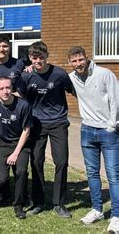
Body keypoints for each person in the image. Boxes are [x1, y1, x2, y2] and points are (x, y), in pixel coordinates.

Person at [17, 41, 73, 218]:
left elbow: (76, 91)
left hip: (58, 123)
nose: (38, 61)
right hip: (36, 124)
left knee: (61, 162)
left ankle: (59, 204)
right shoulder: (26, 76)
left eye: (41, 57)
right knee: (36, 162)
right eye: (34, 58)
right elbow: (19, 96)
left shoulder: (60, 74)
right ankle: (38, 202)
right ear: (30, 58)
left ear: (47, 56)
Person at [67, 46, 119, 233]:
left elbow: (116, 100)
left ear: (86, 58)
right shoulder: (71, 78)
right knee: (92, 172)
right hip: (87, 130)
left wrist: (112, 125)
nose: (78, 64)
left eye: (80, 59)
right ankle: (97, 209)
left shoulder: (105, 74)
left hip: (108, 131)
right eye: (74, 61)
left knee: (113, 175)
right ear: (70, 63)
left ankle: (116, 216)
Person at [0, 77, 32, 219]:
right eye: (1, 89)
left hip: (20, 145)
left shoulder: (23, 105)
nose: (5, 91)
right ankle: (5, 196)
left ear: (12, 88)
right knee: (2, 179)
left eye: (8, 88)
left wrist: (16, 153)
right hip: (2, 144)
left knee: (21, 172)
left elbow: (26, 130)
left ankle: (19, 204)